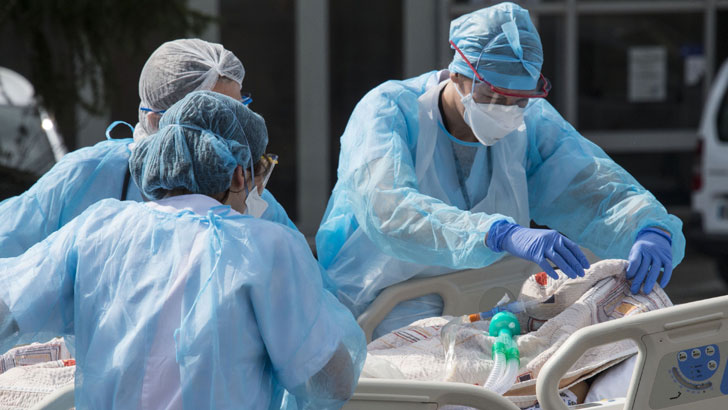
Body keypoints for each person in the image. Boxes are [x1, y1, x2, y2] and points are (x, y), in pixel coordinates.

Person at [316, 2, 685, 339]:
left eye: (518, 100)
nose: (506, 110)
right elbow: (389, 211)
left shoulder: (529, 124)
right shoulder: (388, 111)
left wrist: (648, 227)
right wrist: (495, 234)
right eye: (492, 96)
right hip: (385, 305)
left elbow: (591, 185)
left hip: (490, 301)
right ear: (457, 74)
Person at [0, 91, 365, 409]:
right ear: (239, 175)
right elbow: (330, 382)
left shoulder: (97, 227)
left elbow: (9, 306)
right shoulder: (267, 247)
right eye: (259, 174)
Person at [0, 38, 295, 258]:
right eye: (214, 120)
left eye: (238, 113)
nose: (234, 135)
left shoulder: (253, 199)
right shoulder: (88, 179)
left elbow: (303, 286)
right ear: (156, 120)